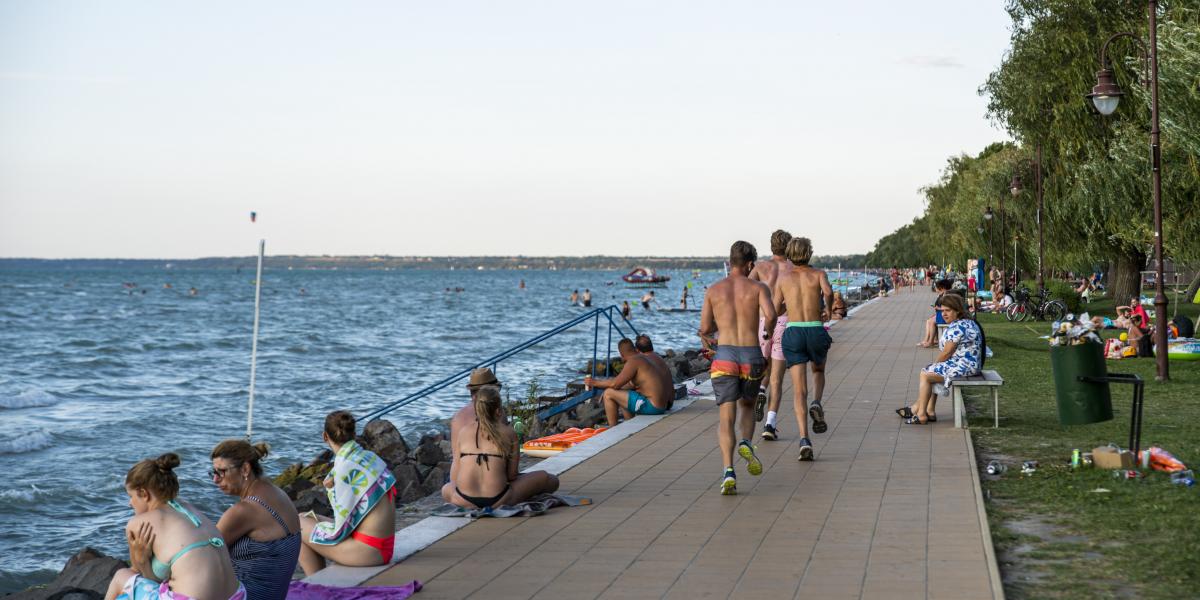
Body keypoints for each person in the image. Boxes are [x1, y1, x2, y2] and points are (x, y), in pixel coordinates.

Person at [105, 453, 245, 600]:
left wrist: (140, 561)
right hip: (237, 596)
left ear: (143, 493)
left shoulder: (139, 523)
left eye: (131, 496)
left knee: (121, 576)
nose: (130, 503)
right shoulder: (189, 509)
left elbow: (146, 578)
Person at [699, 241, 776, 494]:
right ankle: (746, 442)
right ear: (751, 264)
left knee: (725, 419)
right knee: (748, 406)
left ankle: (728, 471)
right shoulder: (758, 287)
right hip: (751, 355)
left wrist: (710, 337)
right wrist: (767, 331)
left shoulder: (713, 290)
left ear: (730, 261)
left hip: (724, 357)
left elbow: (706, 328)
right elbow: (772, 315)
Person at [298, 411, 397, 575]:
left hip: (369, 552)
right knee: (305, 518)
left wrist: (331, 489)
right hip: (382, 546)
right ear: (354, 433)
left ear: (325, 436)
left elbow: (341, 531)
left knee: (295, 526)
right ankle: (318, 581)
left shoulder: (344, 468)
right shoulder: (368, 457)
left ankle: (316, 584)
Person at [211, 440, 300, 600]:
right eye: (214, 472)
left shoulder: (244, 511)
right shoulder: (277, 493)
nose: (215, 480)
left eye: (222, 472)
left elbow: (203, 554)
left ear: (245, 469)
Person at [442, 386, 559, 510]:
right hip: (498, 500)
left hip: (463, 499)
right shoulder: (508, 433)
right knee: (549, 479)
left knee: (446, 488)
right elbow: (511, 476)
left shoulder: (463, 432)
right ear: (498, 411)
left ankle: (469, 503)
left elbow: (460, 469)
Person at [773, 237, 834, 461]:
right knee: (818, 371)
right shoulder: (818, 274)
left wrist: (770, 329)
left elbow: (776, 308)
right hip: (815, 329)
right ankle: (817, 402)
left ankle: (804, 439)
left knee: (799, 391)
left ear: (789, 254)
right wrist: (827, 309)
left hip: (794, 331)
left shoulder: (784, 278)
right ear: (809, 253)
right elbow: (828, 292)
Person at [900, 294, 983, 424]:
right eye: (942, 311)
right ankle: (929, 411)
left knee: (927, 374)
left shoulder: (957, 327)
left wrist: (936, 365)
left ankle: (921, 414)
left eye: (948, 310)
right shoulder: (968, 322)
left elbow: (947, 352)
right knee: (931, 370)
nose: (944, 314)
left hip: (965, 367)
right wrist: (935, 367)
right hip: (970, 365)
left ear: (958, 310)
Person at [748, 229, 793, 442]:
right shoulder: (793, 269)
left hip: (761, 322)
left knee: (764, 367)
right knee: (778, 377)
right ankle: (770, 424)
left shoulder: (760, 267)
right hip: (784, 322)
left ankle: (760, 390)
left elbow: (745, 290)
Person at [585, 338, 674, 426]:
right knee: (621, 394)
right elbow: (627, 385)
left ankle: (612, 429)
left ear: (622, 355)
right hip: (662, 405)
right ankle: (630, 424)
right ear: (634, 349)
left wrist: (595, 383)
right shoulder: (643, 358)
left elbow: (615, 384)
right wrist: (611, 386)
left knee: (608, 394)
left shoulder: (633, 361)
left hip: (653, 407)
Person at [917, 279, 955, 347]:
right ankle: (927, 340)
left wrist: (938, 309)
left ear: (942, 288)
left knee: (931, 322)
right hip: (942, 314)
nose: (936, 289)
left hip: (946, 316)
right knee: (929, 321)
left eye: (937, 288)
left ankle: (930, 341)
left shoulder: (947, 295)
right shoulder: (943, 294)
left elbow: (949, 308)